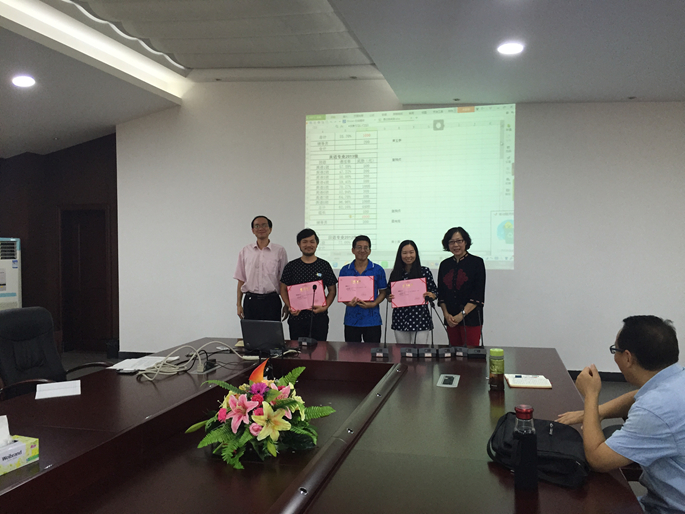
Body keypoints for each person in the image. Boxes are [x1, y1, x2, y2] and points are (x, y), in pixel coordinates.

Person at [557, 316, 685, 514]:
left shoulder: (655, 410)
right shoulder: (675, 381)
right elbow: (638, 396)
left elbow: (598, 460)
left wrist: (591, 396)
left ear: (627, 357)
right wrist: (597, 412)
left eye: (614, 350)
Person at [279, 228, 337, 341]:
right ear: (299, 244)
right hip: (297, 318)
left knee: (320, 349)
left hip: (319, 318)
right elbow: (283, 289)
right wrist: (290, 306)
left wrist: (325, 307)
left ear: (317, 244)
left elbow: (332, 290)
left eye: (312, 241)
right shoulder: (291, 266)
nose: (308, 245)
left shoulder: (324, 265)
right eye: (304, 242)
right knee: (297, 349)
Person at [437, 227, 485, 347]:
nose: (456, 245)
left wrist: (461, 315)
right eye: (452, 242)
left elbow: (478, 294)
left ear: (466, 242)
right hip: (451, 319)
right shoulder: (444, 264)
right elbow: (441, 293)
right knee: (454, 353)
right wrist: (446, 314)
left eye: (459, 241)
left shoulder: (477, 263)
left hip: (471, 318)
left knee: (470, 354)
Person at [234, 216, 288, 321]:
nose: (261, 228)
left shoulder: (279, 251)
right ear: (253, 230)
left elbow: (284, 281)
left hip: (272, 301)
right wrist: (238, 305)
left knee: (272, 331)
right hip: (251, 301)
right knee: (251, 331)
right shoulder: (245, 251)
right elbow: (241, 280)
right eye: (257, 226)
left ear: (270, 229)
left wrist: (287, 303)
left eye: (264, 225)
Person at [386, 240, 437, 345]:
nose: (408, 256)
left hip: (420, 318)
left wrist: (432, 295)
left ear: (416, 253)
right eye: (404, 253)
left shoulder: (424, 271)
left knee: (420, 351)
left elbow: (435, 291)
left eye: (411, 252)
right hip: (400, 318)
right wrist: (389, 297)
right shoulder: (395, 273)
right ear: (400, 255)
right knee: (402, 351)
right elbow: (388, 292)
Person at [338, 235, 388, 343]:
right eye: (359, 247)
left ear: (370, 251)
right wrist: (347, 303)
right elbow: (342, 293)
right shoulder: (345, 270)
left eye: (366, 248)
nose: (362, 250)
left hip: (372, 320)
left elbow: (383, 292)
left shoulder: (378, 269)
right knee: (351, 351)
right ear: (353, 250)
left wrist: (374, 303)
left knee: (373, 351)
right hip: (351, 320)